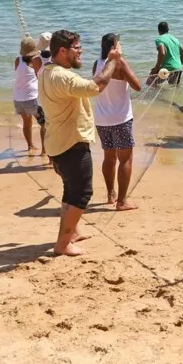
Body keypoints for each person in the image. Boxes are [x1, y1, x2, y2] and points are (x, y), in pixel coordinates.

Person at [39, 29, 122, 256]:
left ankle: (72, 232)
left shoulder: (46, 70)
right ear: (62, 51)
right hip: (71, 144)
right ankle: (63, 244)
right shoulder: (63, 76)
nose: (81, 51)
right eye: (77, 47)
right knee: (82, 194)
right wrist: (113, 60)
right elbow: (97, 86)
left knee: (70, 189)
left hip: (58, 143)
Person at [93, 33, 143, 210]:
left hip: (101, 118)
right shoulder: (120, 63)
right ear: (114, 47)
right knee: (125, 160)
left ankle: (110, 194)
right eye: (119, 44)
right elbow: (137, 86)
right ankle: (121, 202)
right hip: (120, 118)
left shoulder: (97, 63)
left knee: (109, 158)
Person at [12, 37, 47, 158]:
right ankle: (44, 150)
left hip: (17, 99)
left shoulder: (17, 60)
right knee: (44, 124)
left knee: (27, 123)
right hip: (31, 99)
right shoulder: (36, 61)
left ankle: (30, 145)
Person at [148, 21, 183, 85]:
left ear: (158, 30)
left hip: (166, 68)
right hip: (178, 68)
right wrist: (178, 65)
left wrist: (156, 68)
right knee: (174, 88)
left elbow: (162, 53)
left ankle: (160, 94)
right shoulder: (175, 39)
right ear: (168, 29)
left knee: (150, 82)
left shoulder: (159, 39)